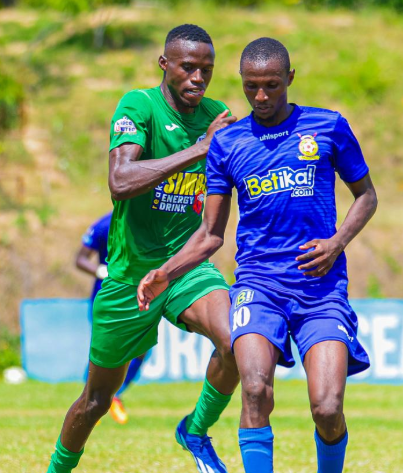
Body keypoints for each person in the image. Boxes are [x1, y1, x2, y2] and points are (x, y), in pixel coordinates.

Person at [138, 37, 378, 473]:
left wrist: (338, 241)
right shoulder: (229, 144)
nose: (261, 96)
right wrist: (166, 273)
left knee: (326, 408)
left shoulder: (328, 126)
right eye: (251, 87)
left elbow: (366, 196)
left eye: (271, 85)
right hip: (258, 287)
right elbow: (211, 234)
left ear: (290, 78)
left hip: (320, 289)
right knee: (254, 390)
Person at [47, 24, 239, 473]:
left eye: (206, 70)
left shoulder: (218, 115)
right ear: (164, 64)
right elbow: (120, 182)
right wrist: (198, 150)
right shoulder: (139, 106)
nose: (198, 78)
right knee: (95, 401)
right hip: (130, 275)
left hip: (186, 267)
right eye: (188, 67)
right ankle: (57, 468)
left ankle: (195, 429)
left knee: (238, 343)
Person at [75, 211, 146, 425]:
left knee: (141, 348)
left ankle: (115, 395)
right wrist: (100, 271)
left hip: (138, 295)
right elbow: (80, 259)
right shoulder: (105, 225)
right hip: (105, 296)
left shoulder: (150, 221)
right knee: (103, 351)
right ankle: (90, 402)